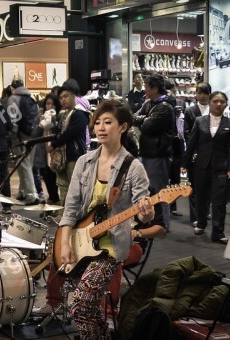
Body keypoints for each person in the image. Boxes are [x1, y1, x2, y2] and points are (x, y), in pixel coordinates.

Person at [58, 100, 154, 339]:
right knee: (88, 307)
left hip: (111, 249)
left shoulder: (133, 167)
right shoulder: (84, 162)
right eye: (97, 122)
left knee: (79, 303)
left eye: (107, 122)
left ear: (123, 127)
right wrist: (63, 243)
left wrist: (146, 211)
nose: (100, 127)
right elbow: (70, 207)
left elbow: (145, 212)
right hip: (82, 241)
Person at [182, 91, 230, 244]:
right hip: (201, 166)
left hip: (221, 167)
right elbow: (191, 143)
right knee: (201, 197)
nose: (218, 104)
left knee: (219, 201)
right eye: (215, 101)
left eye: (222, 101)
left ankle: (218, 232)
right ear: (210, 102)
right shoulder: (200, 121)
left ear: (226, 104)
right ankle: (200, 223)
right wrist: (184, 164)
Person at [134, 74, 175, 231]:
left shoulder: (164, 107)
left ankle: (163, 223)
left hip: (158, 155)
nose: (144, 89)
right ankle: (152, 220)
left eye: (146, 86)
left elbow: (147, 126)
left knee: (160, 190)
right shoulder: (149, 103)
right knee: (149, 190)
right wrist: (145, 118)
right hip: (148, 152)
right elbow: (134, 117)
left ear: (155, 88)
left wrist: (143, 120)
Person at [49, 79, 90, 207]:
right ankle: (64, 218)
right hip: (63, 158)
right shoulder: (64, 114)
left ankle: (76, 221)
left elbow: (71, 133)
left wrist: (54, 144)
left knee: (75, 191)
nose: (63, 100)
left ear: (73, 96)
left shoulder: (80, 113)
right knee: (63, 188)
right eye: (61, 98)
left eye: (66, 96)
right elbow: (59, 132)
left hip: (75, 157)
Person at [181, 82, 212, 225]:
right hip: (195, 152)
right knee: (193, 183)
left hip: (210, 152)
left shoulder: (214, 110)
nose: (202, 95)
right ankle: (195, 216)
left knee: (208, 185)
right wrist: (193, 149)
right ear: (196, 94)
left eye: (205, 93)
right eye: (200, 92)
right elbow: (186, 132)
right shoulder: (190, 111)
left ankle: (205, 211)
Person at [7, 79, 40, 205]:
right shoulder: (30, 98)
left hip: (21, 137)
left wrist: (13, 137)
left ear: (12, 87)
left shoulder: (14, 98)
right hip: (33, 135)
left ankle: (32, 196)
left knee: (24, 166)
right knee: (27, 165)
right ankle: (22, 192)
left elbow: (13, 119)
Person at [35, 94, 62, 205]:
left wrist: (53, 120)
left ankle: (58, 202)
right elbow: (36, 133)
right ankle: (53, 198)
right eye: (47, 103)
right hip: (43, 151)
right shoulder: (40, 117)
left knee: (58, 177)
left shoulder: (60, 117)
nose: (49, 106)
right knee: (47, 176)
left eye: (52, 104)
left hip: (57, 151)